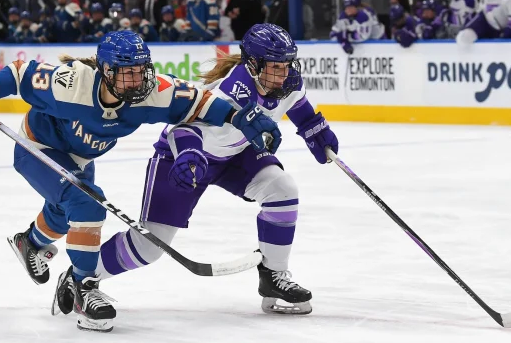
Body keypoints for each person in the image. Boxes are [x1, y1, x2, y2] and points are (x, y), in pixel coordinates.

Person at [0, 30, 281, 332]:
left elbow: (199, 102)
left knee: (64, 213)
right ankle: (84, 288)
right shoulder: (72, 83)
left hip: (80, 159)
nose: (138, 80)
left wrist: (240, 117)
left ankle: (31, 242)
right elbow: (20, 74)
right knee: (86, 205)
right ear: (107, 71)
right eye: (128, 73)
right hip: (39, 147)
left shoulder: (151, 92)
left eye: (142, 70)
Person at [52, 24, 339, 322]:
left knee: (282, 189)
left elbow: (302, 111)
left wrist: (317, 132)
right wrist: (189, 154)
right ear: (253, 65)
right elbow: (183, 128)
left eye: (288, 64)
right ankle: (81, 275)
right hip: (183, 157)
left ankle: (274, 276)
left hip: (235, 154)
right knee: (149, 247)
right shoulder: (229, 93)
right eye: (276, 66)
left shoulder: (288, 82)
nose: (284, 73)